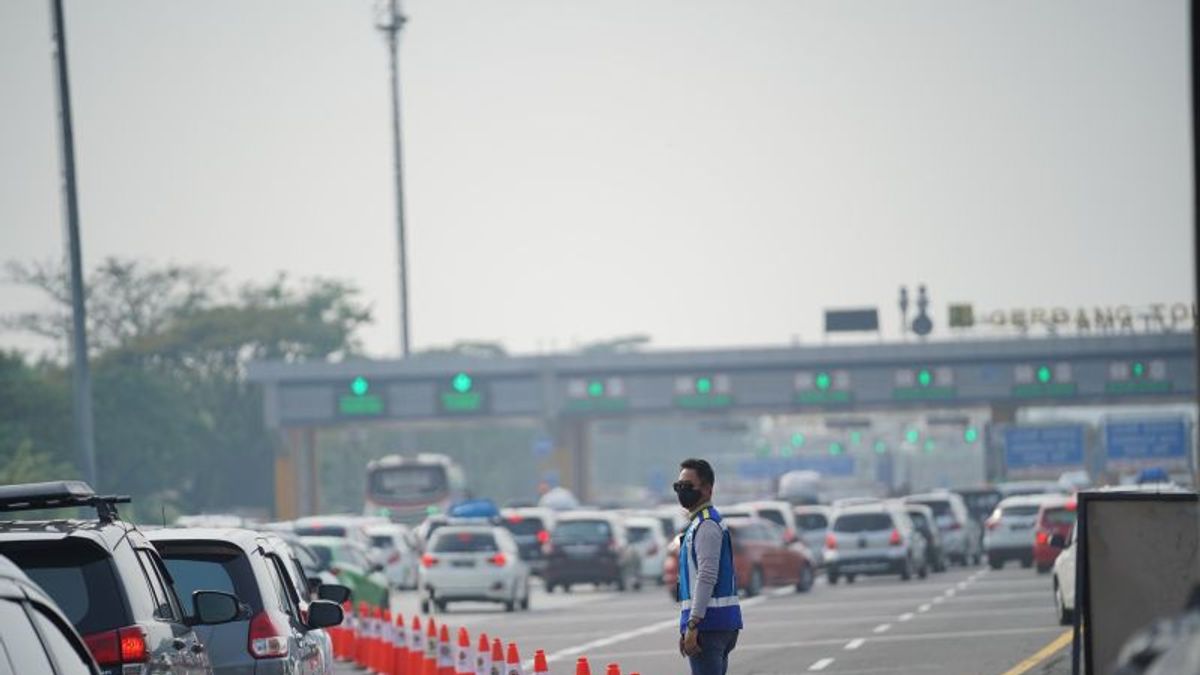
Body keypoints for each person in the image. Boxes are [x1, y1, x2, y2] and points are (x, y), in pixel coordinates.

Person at [674, 458, 742, 675]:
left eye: (688, 486)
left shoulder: (706, 525)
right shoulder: (699, 523)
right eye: (678, 486)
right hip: (714, 623)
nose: (682, 491)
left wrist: (693, 624)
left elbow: (707, 576)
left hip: (709, 625)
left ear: (707, 489)